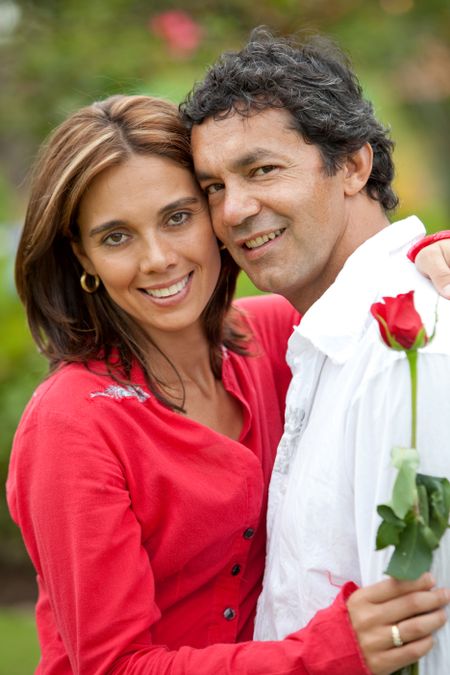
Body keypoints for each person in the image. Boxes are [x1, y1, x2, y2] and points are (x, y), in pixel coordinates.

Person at [6, 93, 449, 675]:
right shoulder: (73, 423)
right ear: (81, 254)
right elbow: (114, 666)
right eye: (116, 236)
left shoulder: (271, 337)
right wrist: (329, 652)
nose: (158, 258)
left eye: (177, 216)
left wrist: (424, 254)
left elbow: (363, 293)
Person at [180, 28, 450, 673]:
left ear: (354, 165)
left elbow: (424, 632)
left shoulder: (408, 350)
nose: (235, 211)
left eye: (263, 169)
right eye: (213, 186)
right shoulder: (327, 339)